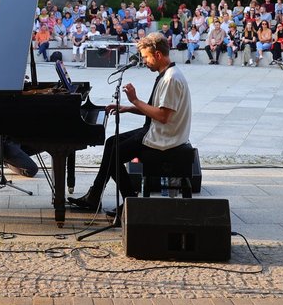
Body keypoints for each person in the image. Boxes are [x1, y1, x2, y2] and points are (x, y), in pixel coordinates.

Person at [68, 33, 192, 214]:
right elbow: (155, 109)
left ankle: (128, 202)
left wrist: (134, 100)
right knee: (111, 143)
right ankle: (96, 196)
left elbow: (163, 116)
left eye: (146, 57)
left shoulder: (171, 79)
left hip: (165, 138)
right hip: (157, 130)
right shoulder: (167, 75)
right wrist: (126, 107)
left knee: (114, 155)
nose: (145, 61)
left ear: (157, 55)